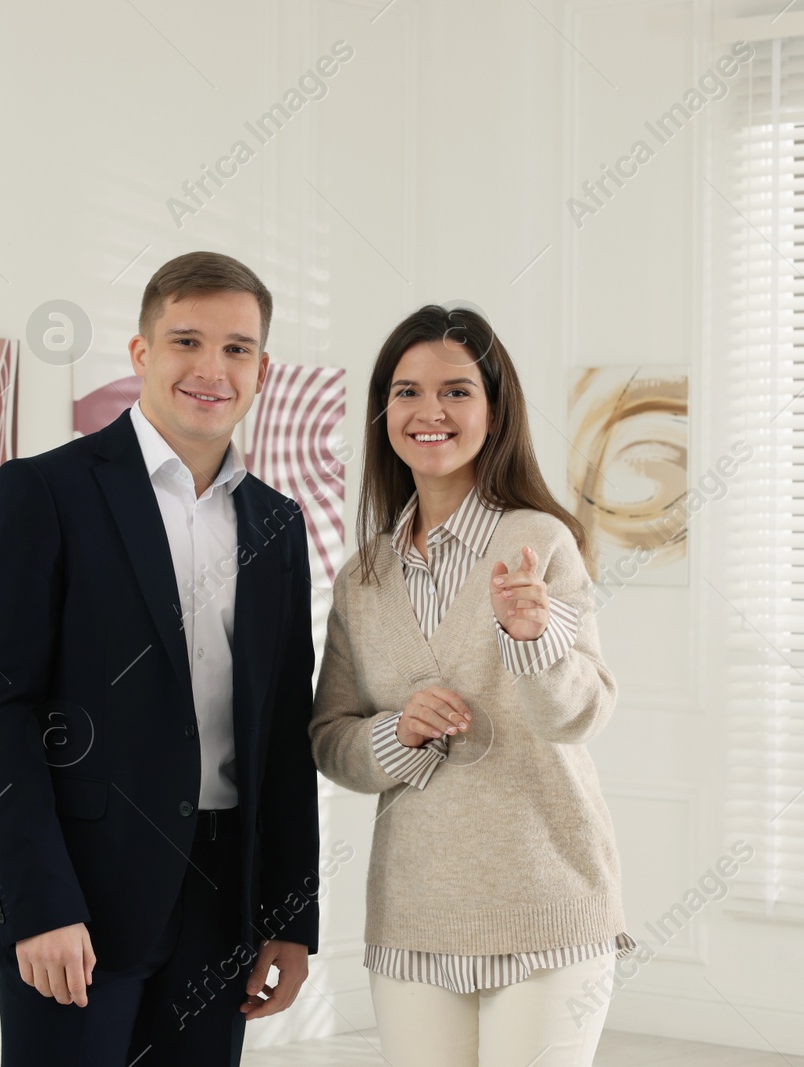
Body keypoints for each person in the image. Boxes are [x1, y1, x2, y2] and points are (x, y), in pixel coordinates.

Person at [0, 251, 320, 1066]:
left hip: (225, 897)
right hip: (78, 891)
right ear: (142, 353)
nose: (211, 369)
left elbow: (284, 732)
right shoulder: (43, 492)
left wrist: (290, 918)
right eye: (186, 340)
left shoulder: (276, 524)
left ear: (262, 367)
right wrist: (40, 901)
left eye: (237, 348)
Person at [309, 305, 633, 1067]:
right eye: (407, 391)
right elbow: (331, 740)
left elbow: (582, 712)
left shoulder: (538, 541)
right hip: (414, 912)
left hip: (547, 903)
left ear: (494, 409)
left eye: (456, 391)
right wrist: (399, 731)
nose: (429, 412)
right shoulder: (364, 577)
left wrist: (532, 641)